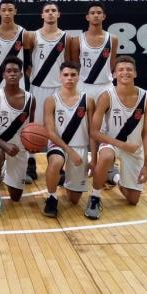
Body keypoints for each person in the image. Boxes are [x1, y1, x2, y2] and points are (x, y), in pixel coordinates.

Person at [85, 56, 147, 220]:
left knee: (133, 200)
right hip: (111, 144)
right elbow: (94, 132)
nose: (125, 72)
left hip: (133, 148)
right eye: (121, 70)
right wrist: (121, 145)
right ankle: (95, 197)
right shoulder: (106, 96)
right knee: (107, 156)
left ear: (135, 73)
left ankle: (114, 176)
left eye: (129, 69)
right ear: (114, 75)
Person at [23, 2, 73, 182]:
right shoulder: (32, 36)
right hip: (38, 87)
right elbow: (26, 61)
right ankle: (31, 161)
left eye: (53, 11)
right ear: (42, 15)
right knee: (33, 127)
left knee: (58, 128)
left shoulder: (67, 38)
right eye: (47, 11)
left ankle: (58, 163)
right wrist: (33, 76)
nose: (50, 13)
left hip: (59, 89)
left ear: (58, 14)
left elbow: (70, 63)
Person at [0, 56, 35, 218]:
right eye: (8, 71)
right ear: (3, 75)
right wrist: (5, 145)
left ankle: (5, 170)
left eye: (15, 71)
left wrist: (33, 144)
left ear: (21, 75)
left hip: (19, 148)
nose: (12, 74)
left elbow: (31, 128)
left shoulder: (30, 99)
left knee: (16, 197)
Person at [42, 61, 95, 217]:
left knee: (74, 200)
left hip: (80, 147)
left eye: (73, 75)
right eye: (65, 75)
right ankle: (52, 197)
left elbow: (93, 132)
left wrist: (94, 158)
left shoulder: (88, 100)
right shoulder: (51, 100)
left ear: (79, 77)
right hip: (58, 145)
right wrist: (69, 151)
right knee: (56, 162)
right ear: (60, 77)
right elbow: (50, 132)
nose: (69, 78)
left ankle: (64, 177)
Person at [72, 2, 119, 100]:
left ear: (104, 16)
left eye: (99, 13)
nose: (96, 15)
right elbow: (75, 65)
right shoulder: (77, 40)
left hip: (106, 86)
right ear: (87, 17)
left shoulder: (113, 39)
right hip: (84, 86)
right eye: (92, 13)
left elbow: (111, 64)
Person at [0, 0, 26, 91]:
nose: (7, 13)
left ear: (15, 11)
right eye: (4, 10)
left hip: (19, 82)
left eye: (10, 10)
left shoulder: (24, 33)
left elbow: (28, 60)